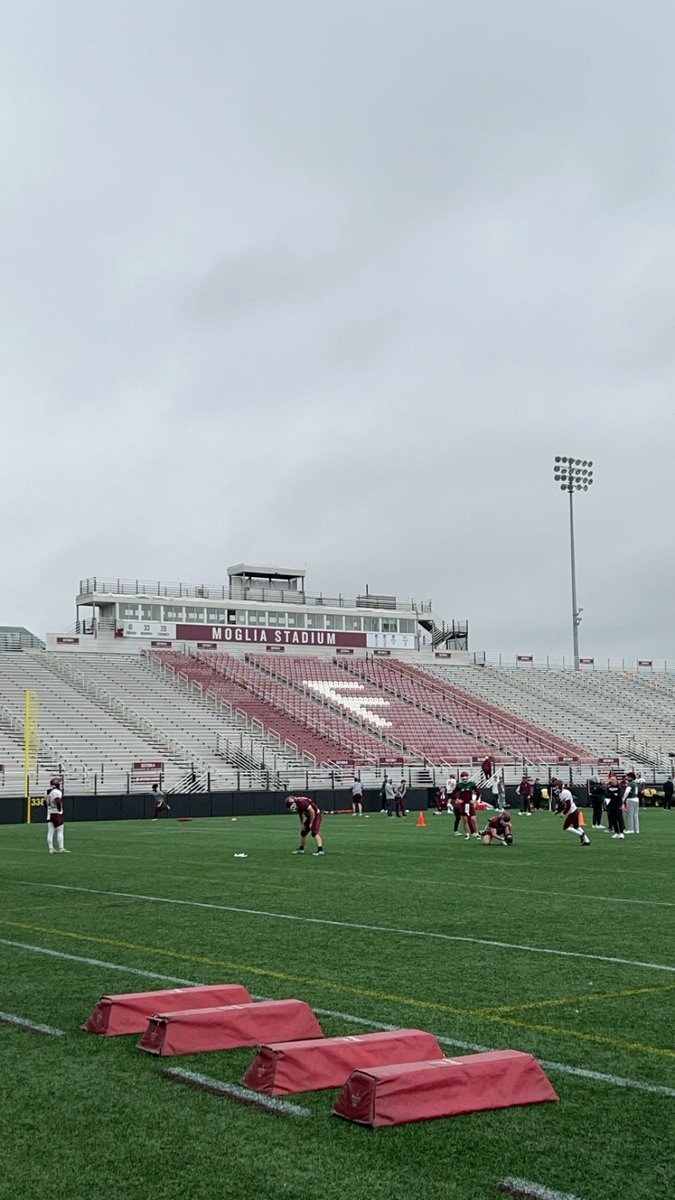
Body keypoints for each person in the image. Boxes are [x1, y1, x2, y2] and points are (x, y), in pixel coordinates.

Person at [45, 777, 69, 854]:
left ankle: (51, 848)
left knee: (50, 832)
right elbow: (58, 801)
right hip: (56, 813)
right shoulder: (56, 792)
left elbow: (44, 803)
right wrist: (59, 809)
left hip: (49, 813)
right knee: (60, 831)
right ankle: (61, 848)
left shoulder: (47, 792)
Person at [455, 771, 480, 840]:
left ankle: (477, 833)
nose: (465, 781)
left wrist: (475, 800)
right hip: (463, 804)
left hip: (470, 803)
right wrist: (457, 799)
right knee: (465, 820)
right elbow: (453, 793)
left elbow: (478, 792)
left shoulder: (471, 784)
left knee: (473, 819)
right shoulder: (459, 785)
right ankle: (467, 834)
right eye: (463, 779)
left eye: (466, 779)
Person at [605, 772, 625, 839]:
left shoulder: (619, 786)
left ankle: (621, 832)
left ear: (616, 780)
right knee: (613, 819)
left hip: (618, 804)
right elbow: (607, 794)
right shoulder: (609, 786)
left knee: (619, 818)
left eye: (613, 779)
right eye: (611, 779)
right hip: (611, 804)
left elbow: (620, 795)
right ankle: (616, 832)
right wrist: (614, 794)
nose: (612, 781)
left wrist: (613, 794)